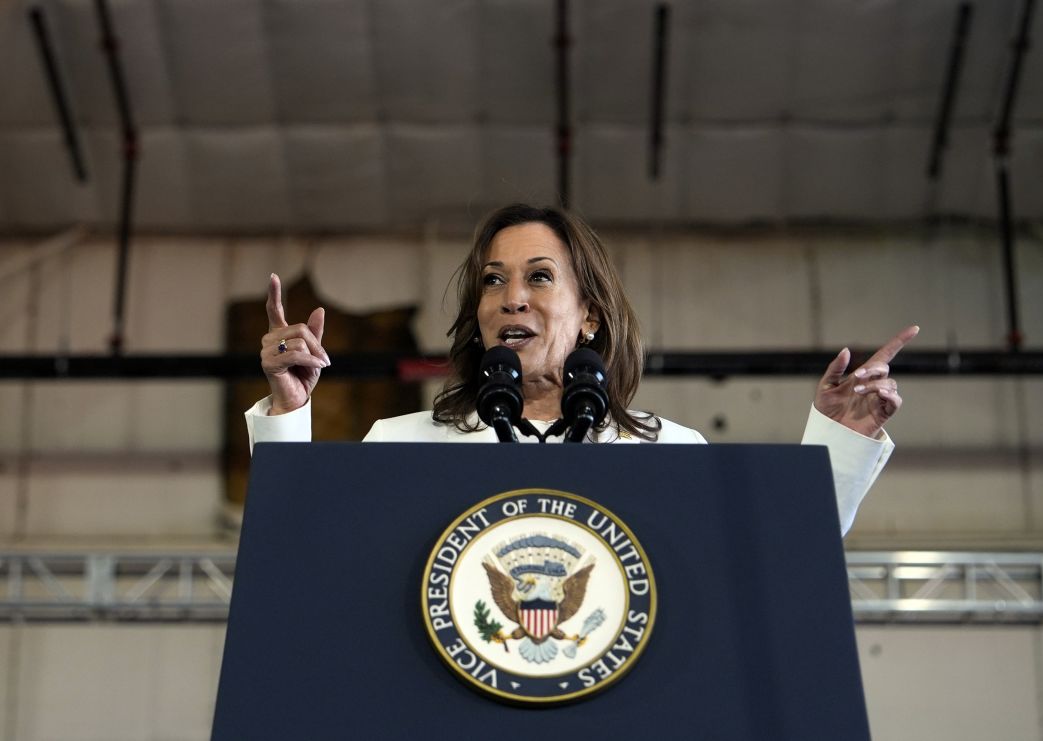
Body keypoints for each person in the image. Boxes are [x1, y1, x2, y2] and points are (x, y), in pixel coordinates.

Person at [245, 203, 918, 535]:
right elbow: (301, 553)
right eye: (492, 281)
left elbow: (774, 562)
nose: (511, 297)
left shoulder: (670, 453)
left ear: (589, 315)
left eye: (540, 277)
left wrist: (841, 439)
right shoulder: (399, 445)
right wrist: (288, 412)